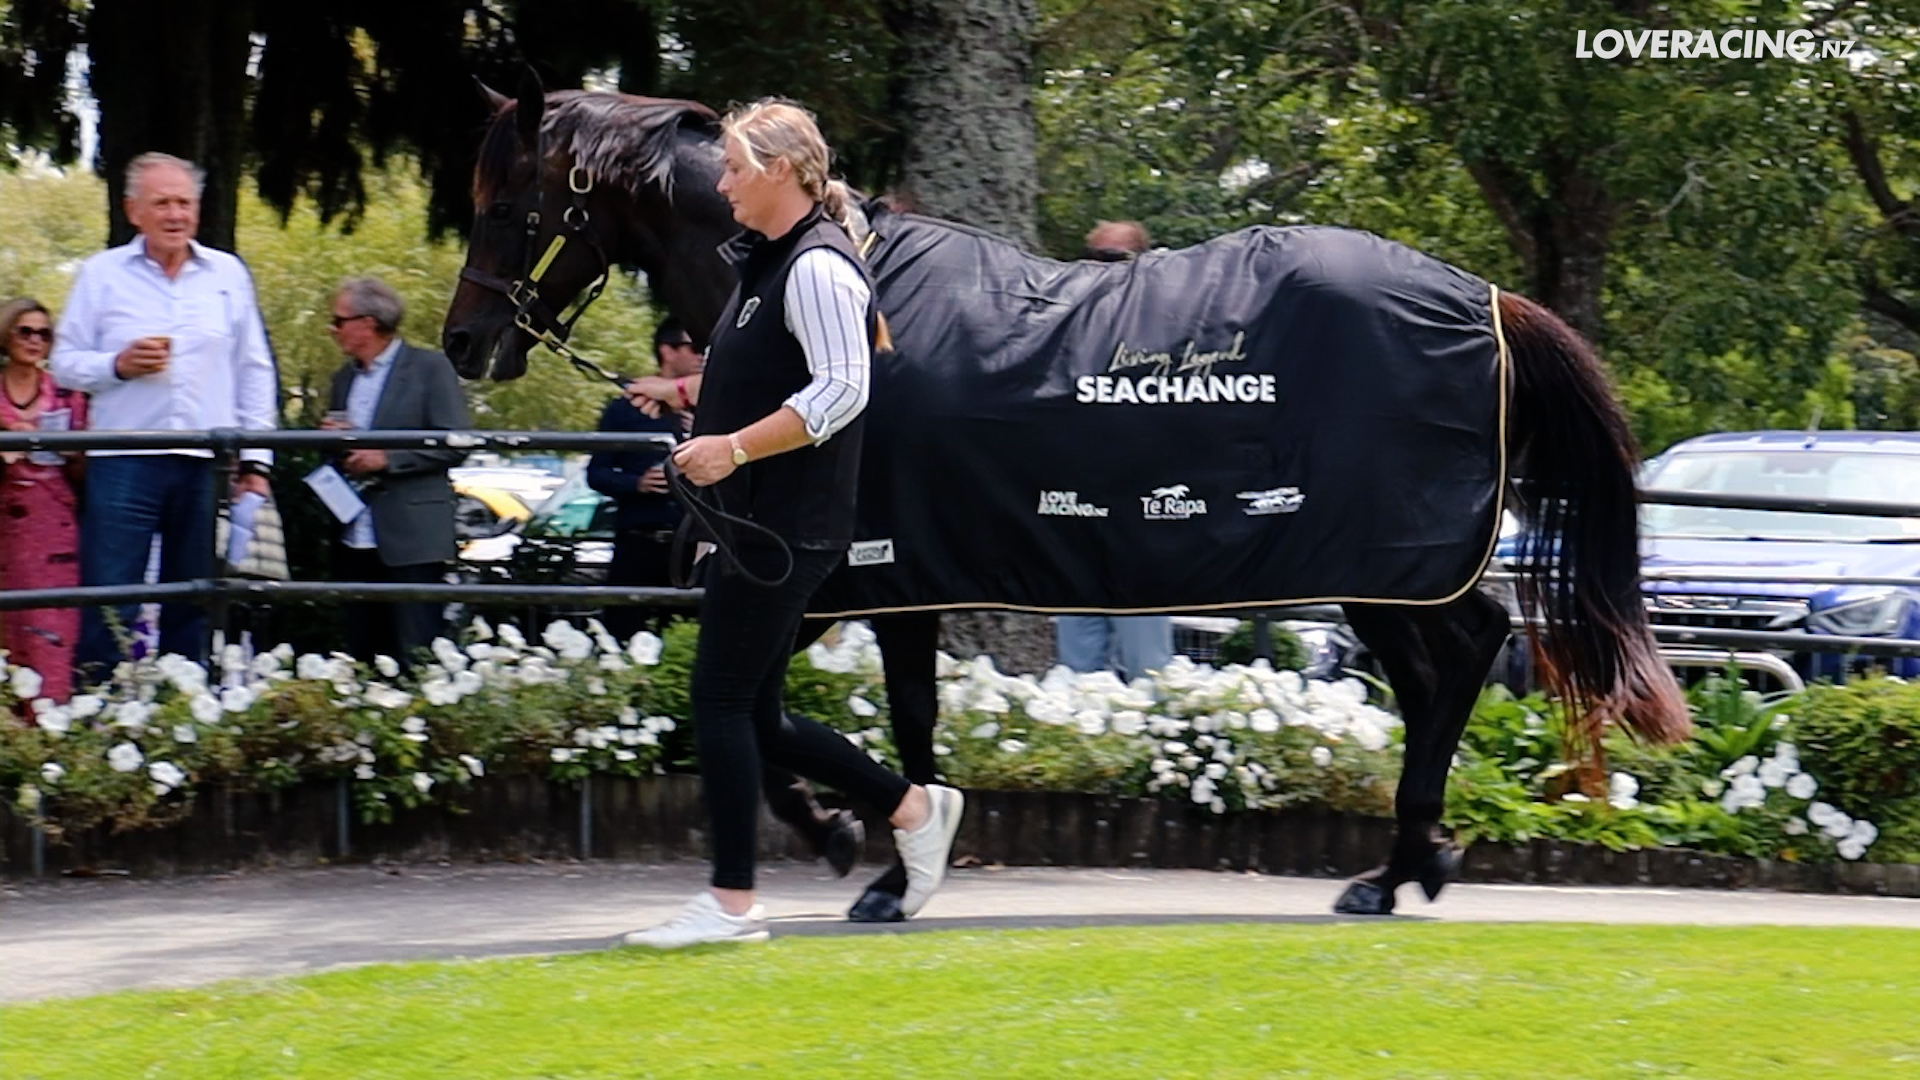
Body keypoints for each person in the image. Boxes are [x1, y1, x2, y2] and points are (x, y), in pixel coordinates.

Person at [618, 98, 964, 949]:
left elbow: (844, 390)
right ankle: (913, 807)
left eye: (734, 167)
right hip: (763, 525)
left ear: (779, 171)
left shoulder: (816, 266)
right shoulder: (771, 265)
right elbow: (772, 369)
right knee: (757, 715)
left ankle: (732, 904)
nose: (724, 183)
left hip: (784, 527)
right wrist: (692, 399)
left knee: (721, 700)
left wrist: (729, 449)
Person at [51, 152, 278, 681]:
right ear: (134, 211)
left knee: (195, 598)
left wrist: (258, 463)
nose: (175, 214)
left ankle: (185, 724)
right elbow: (63, 362)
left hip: (206, 461)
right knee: (112, 597)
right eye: (162, 203)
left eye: (185, 202)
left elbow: (254, 370)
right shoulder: (100, 274)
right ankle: (98, 722)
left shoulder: (227, 273)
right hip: (123, 458)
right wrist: (118, 365)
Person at [320, 277, 470, 672]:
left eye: (338, 320)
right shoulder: (343, 379)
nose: (332, 329)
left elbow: (456, 441)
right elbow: (343, 455)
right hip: (355, 529)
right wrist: (334, 441)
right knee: (362, 649)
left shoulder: (430, 368)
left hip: (413, 533)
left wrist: (388, 458)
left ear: (367, 324)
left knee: (417, 652)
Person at [1055, 220, 1173, 683]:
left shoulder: (1164, 327)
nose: (1100, 270)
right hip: (1076, 514)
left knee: (1149, 667)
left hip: (1142, 518)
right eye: (1093, 259)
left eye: (1114, 259)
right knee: (1077, 665)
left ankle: (1157, 753)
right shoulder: (1063, 327)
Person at [585, 316, 703, 641]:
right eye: (694, 348)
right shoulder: (626, 408)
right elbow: (597, 473)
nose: (702, 356)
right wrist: (637, 484)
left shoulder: (714, 405)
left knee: (691, 642)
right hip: (638, 540)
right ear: (667, 351)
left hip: (694, 544)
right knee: (621, 637)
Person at [0, 299, 87, 700]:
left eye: (44, 334)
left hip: (53, 524)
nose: (35, 341)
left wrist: (72, 451)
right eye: (25, 331)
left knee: (51, 624)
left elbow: (85, 472)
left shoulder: (68, 395)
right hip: (4, 519)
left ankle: (50, 725)